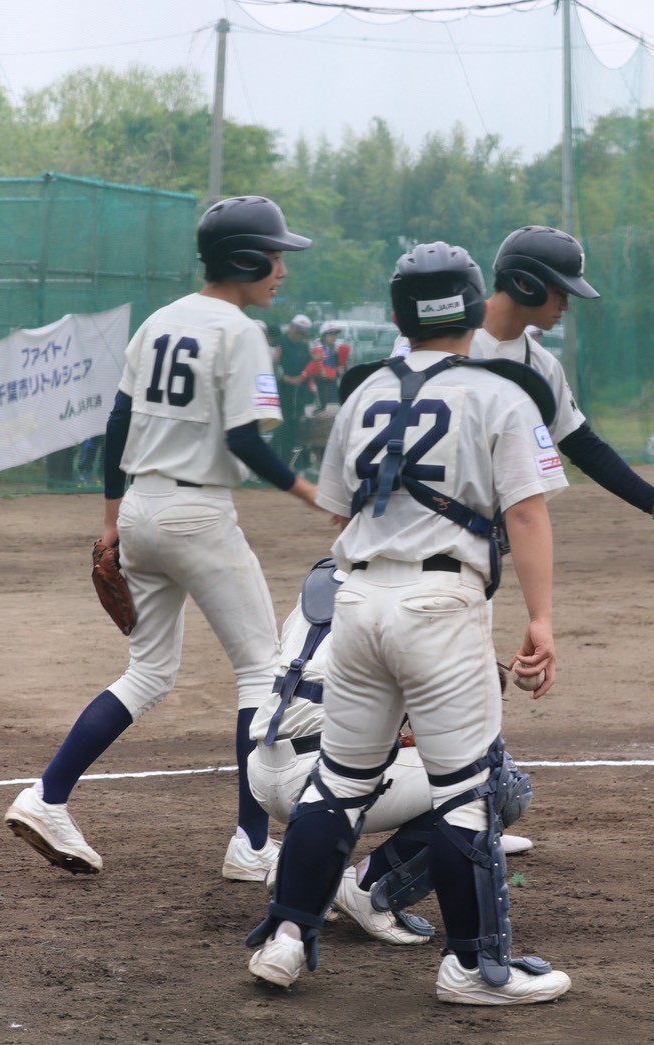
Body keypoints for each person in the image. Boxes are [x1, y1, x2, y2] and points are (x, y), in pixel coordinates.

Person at [244, 242, 572, 1006]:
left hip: (356, 600)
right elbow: (526, 514)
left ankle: (285, 937)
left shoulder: (364, 391)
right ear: (472, 307)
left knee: (339, 783)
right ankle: (472, 968)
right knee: (467, 791)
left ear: (399, 314)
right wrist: (542, 619)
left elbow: (338, 508)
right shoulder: (499, 392)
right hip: (439, 604)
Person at [4, 195, 323, 882]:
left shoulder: (159, 320)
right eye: (274, 256)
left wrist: (112, 520)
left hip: (141, 509)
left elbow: (118, 424)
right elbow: (245, 440)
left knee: (148, 673)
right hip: (197, 514)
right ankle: (250, 844)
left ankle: (46, 797)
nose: (282, 270)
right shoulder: (239, 332)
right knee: (262, 671)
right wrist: (311, 493)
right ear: (244, 259)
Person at [246, 557, 537, 947]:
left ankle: (300, 866)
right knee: (498, 782)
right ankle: (367, 888)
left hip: (267, 771)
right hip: (316, 774)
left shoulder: (327, 577)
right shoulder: (420, 595)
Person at [473, 225, 654, 537]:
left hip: (482, 535)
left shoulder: (543, 366)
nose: (566, 305)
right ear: (525, 283)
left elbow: (582, 445)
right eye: (560, 291)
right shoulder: (438, 342)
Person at [273, 314, 315, 464]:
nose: (300, 336)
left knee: (293, 429)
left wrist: (303, 380)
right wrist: (287, 379)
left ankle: (287, 463)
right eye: (298, 332)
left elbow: (309, 368)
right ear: (291, 327)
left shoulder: (304, 347)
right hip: (279, 392)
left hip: (297, 396)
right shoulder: (279, 343)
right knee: (279, 428)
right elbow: (272, 365)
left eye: (303, 333)